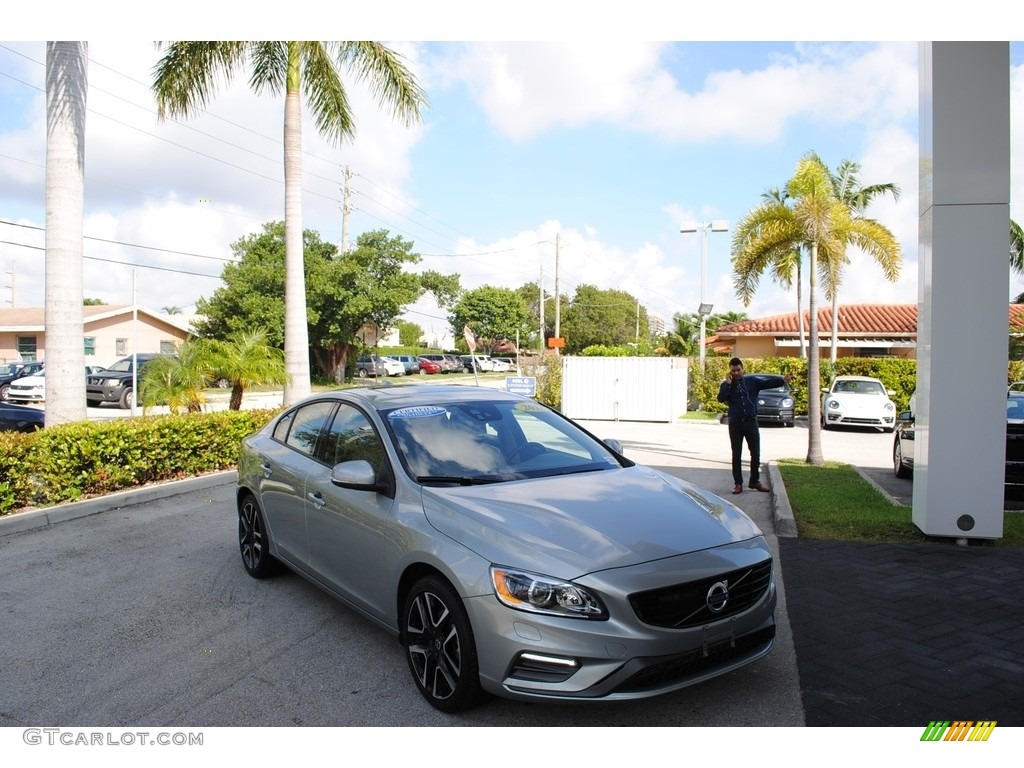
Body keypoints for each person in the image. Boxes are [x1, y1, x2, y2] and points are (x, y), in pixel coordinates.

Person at [717, 357, 789, 495]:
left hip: (751, 422)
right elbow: (721, 398)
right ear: (730, 371)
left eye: (738, 370)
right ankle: (738, 484)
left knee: (755, 453)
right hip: (735, 423)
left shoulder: (752, 381)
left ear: (742, 369)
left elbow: (767, 383)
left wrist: (782, 380)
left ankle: (754, 481)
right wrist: (728, 384)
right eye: (733, 371)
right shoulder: (726, 384)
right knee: (736, 454)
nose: (736, 373)